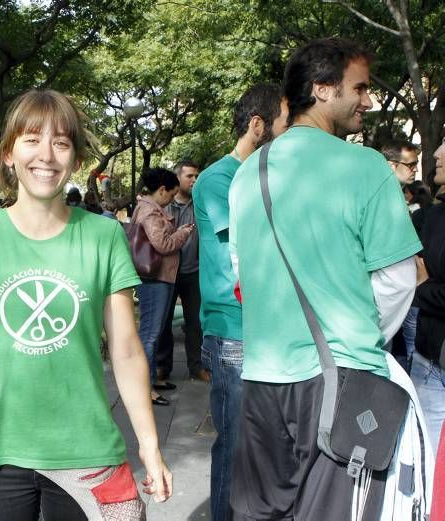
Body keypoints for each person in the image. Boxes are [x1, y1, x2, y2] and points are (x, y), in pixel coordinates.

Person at [0, 89, 172, 521]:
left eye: (61, 142)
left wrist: (150, 446)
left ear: (76, 159)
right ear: (8, 154)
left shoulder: (103, 237)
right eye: (31, 139)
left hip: (87, 449)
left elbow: (126, 348)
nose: (46, 155)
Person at [229, 38, 420, 519]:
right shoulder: (367, 168)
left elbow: (242, 272)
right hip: (344, 381)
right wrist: (357, 334)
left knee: (261, 513)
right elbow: (399, 282)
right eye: (359, 88)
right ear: (322, 88)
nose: (369, 100)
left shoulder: (248, 173)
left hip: (262, 377)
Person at [192, 82, 287, 521]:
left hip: (264, 326)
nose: (291, 131)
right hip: (233, 329)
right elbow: (250, 246)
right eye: (284, 122)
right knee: (233, 441)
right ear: (258, 125)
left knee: (262, 441)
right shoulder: (219, 179)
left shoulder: (267, 174)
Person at [132, 167, 192, 406]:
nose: (171, 200)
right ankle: (145, 388)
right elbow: (163, 244)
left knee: (153, 333)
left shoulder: (150, 208)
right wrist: (182, 233)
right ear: (162, 190)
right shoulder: (150, 212)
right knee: (150, 334)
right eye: (171, 195)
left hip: (158, 278)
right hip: (154, 279)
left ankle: (152, 378)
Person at [411, 133, 445, 456]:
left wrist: (423, 288)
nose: (436, 152)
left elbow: (419, 281)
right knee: (427, 465)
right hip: (428, 362)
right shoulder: (429, 217)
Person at [158, 160, 206, 384]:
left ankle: (197, 367)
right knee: (164, 321)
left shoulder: (201, 204)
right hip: (168, 272)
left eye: (197, 175)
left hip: (194, 271)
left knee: (195, 322)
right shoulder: (164, 205)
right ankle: (162, 367)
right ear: (178, 179)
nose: (195, 180)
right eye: (190, 176)